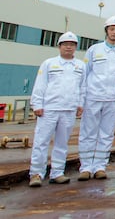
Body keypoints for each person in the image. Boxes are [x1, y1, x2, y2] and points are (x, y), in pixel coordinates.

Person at [78, 15, 115, 181]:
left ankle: (100, 166)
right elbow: (85, 73)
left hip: (113, 98)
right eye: (112, 29)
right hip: (93, 96)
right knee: (88, 132)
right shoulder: (94, 50)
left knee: (107, 133)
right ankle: (86, 167)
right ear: (106, 31)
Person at [29, 32, 86, 187]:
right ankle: (36, 173)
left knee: (62, 143)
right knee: (41, 141)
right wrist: (37, 105)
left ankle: (57, 172)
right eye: (65, 44)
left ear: (75, 47)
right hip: (49, 109)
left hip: (68, 109)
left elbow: (83, 87)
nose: (68, 47)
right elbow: (40, 85)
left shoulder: (80, 66)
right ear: (59, 46)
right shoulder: (49, 63)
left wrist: (80, 104)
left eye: (72, 44)